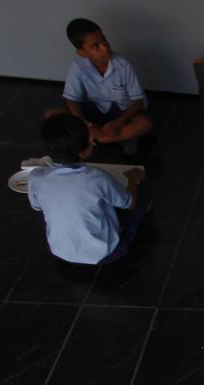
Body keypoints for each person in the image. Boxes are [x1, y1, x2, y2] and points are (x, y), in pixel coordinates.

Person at [28, 114, 149, 265]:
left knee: (45, 209)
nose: (93, 141)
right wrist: (132, 178)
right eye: (90, 140)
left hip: (60, 251)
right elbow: (129, 203)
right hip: (106, 254)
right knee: (140, 194)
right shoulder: (97, 177)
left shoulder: (35, 177)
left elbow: (37, 207)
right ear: (82, 152)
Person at [44, 18, 152, 152]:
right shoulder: (78, 66)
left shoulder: (123, 65)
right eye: (96, 46)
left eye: (104, 40)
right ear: (82, 53)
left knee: (144, 124)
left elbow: (138, 102)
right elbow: (72, 100)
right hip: (97, 109)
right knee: (51, 114)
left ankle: (93, 141)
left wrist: (118, 123)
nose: (105, 48)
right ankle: (113, 137)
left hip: (124, 112)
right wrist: (85, 123)